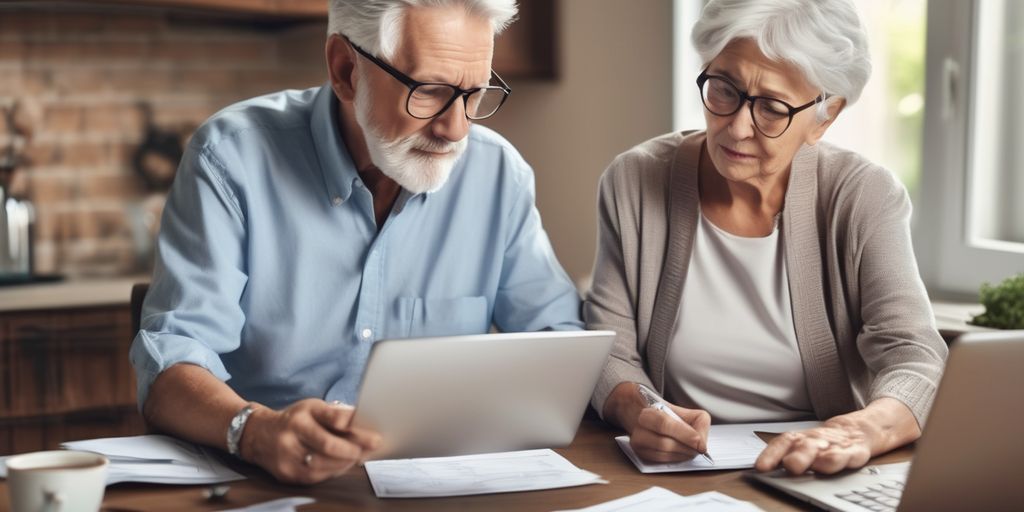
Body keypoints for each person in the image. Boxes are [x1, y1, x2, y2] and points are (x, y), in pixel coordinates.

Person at [130, 0, 582, 485]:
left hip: (439, 484)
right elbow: (173, 358)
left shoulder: (499, 176)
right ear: (346, 70)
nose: (457, 128)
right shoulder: (231, 158)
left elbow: (560, 342)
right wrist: (256, 430)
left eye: (475, 93)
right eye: (430, 91)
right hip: (264, 484)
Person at [585, 0, 947, 475]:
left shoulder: (863, 195)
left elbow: (915, 357)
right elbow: (608, 348)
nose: (736, 127)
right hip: (683, 470)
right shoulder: (635, 179)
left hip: (814, 467)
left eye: (772, 108)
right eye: (723, 89)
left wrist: (858, 430)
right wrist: (638, 408)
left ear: (826, 115)